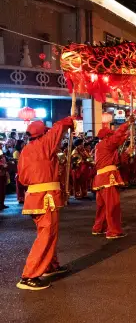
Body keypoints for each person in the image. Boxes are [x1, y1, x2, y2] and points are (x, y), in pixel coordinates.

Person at [16, 116, 75, 290]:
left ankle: (50, 265)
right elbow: (59, 127)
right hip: (45, 197)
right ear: (43, 134)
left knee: (48, 233)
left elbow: (23, 178)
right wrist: (70, 120)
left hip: (35, 197)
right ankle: (29, 275)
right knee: (46, 235)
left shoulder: (26, 150)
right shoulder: (45, 144)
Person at [91, 116, 135, 239]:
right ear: (107, 137)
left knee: (102, 206)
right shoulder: (107, 144)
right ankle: (113, 230)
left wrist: (126, 152)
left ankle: (99, 227)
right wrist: (127, 124)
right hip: (108, 178)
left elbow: (116, 160)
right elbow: (117, 136)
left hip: (101, 178)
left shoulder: (100, 147)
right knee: (112, 205)